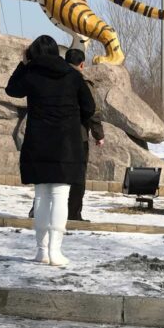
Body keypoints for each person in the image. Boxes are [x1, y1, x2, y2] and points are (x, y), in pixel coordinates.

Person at [5, 35, 95, 265]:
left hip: (38, 143)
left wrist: (23, 64)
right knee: (60, 197)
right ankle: (56, 251)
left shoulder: (32, 74)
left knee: (41, 197)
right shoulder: (73, 75)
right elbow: (90, 107)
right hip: (66, 144)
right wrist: (75, 121)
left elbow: (11, 89)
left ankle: (41, 250)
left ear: (33, 54)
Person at [63, 48, 105, 222]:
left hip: (53, 135)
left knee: (52, 174)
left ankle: (40, 210)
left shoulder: (52, 79)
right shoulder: (83, 82)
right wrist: (98, 134)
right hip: (78, 136)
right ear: (82, 64)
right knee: (77, 176)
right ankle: (73, 213)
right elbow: (92, 111)